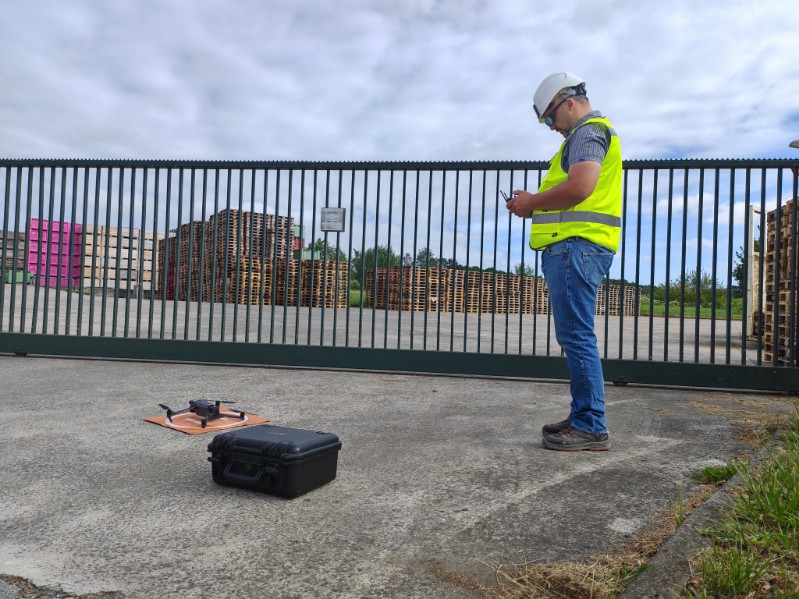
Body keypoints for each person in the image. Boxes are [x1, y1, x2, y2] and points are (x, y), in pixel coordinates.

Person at [505, 72, 623, 451]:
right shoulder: (586, 134)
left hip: (577, 248)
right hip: (576, 248)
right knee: (575, 336)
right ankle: (583, 415)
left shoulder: (588, 132)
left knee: (576, 336)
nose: (551, 127)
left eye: (550, 118)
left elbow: (580, 188)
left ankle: (590, 424)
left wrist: (531, 203)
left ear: (568, 102)